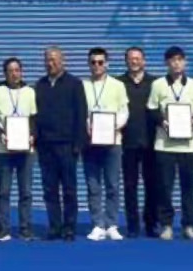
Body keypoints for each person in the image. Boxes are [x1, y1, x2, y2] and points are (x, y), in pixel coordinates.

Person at [148, 46, 193, 241]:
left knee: (188, 187)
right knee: (165, 187)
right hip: (164, 145)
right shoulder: (158, 84)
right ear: (167, 63)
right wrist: (162, 122)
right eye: (172, 60)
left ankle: (189, 226)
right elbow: (152, 109)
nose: (176, 63)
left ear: (185, 62)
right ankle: (166, 225)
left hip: (188, 146)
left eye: (180, 59)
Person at [34, 47, 87, 241]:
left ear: (63, 61)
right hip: (45, 146)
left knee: (69, 189)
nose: (51, 63)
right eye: (48, 60)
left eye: (54, 59)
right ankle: (54, 227)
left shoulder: (74, 84)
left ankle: (69, 227)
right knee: (50, 190)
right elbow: (35, 116)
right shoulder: (39, 85)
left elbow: (81, 114)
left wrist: (78, 144)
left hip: (67, 145)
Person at [0, 57, 37, 242]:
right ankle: (3, 228)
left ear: (21, 72)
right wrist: (0, 134)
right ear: (5, 73)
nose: (14, 74)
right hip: (3, 150)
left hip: (26, 151)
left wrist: (33, 135)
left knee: (26, 192)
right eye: (10, 71)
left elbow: (34, 118)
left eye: (17, 70)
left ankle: (25, 228)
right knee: (3, 192)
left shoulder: (30, 92)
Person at [81, 47, 129, 242]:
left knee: (113, 185)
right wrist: (87, 127)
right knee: (93, 185)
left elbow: (124, 111)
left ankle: (111, 224)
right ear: (89, 64)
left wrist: (114, 126)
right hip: (90, 142)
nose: (97, 66)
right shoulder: (82, 86)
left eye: (100, 62)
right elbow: (80, 112)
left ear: (107, 64)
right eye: (93, 62)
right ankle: (97, 224)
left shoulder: (118, 85)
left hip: (113, 141)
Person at [117, 46, 160, 238]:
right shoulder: (118, 83)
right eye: (131, 58)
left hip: (152, 142)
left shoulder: (155, 83)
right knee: (129, 186)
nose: (134, 61)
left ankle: (151, 224)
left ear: (144, 61)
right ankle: (133, 225)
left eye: (137, 58)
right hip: (127, 142)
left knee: (152, 185)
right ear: (126, 61)